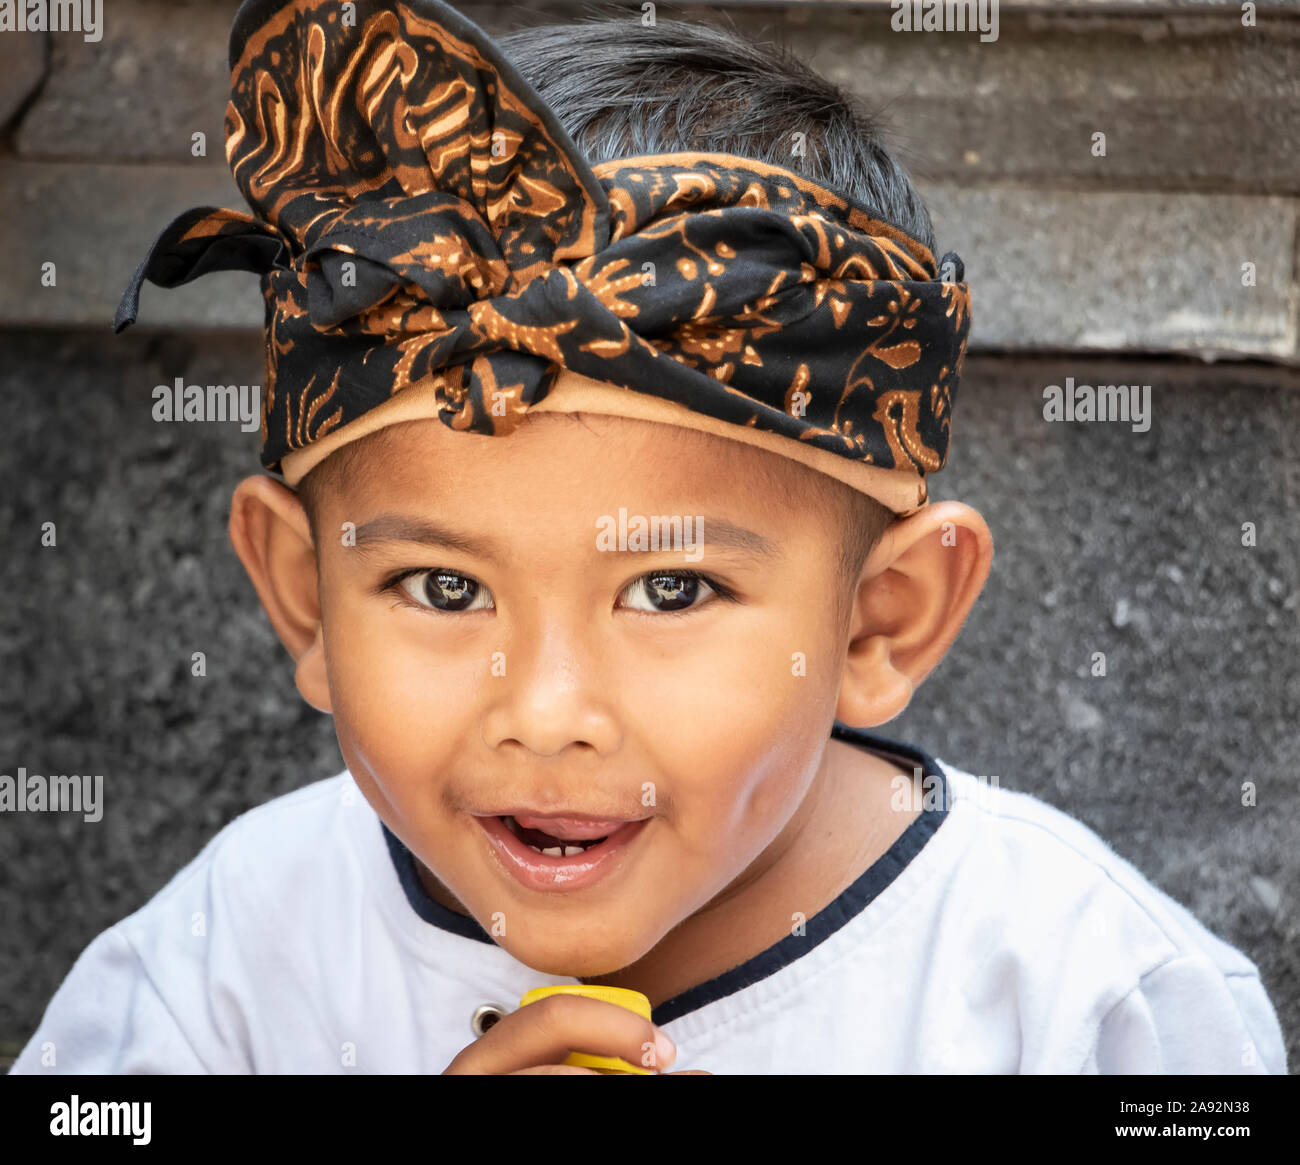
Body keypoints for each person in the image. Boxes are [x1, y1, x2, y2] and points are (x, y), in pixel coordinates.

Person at [10, 0, 1286, 1074]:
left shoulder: (1093, 1010)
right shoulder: (224, 967)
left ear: (880, 618)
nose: (550, 712)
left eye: (670, 587)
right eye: (442, 584)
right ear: (303, 601)